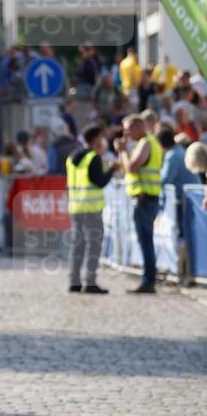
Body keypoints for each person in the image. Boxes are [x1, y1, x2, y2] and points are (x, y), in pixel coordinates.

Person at [66, 124, 117, 294]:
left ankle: (74, 282)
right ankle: (90, 282)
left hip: (75, 207)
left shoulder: (72, 157)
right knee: (93, 246)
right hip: (91, 209)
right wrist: (112, 169)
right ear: (96, 139)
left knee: (77, 246)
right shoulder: (93, 158)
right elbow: (100, 181)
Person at [116, 113, 163, 294]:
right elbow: (126, 169)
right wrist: (123, 154)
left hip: (145, 199)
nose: (125, 133)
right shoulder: (143, 143)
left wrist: (122, 151)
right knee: (145, 241)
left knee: (145, 242)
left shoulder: (145, 143)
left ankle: (148, 281)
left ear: (139, 127)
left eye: (127, 129)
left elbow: (132, 167)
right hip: (145, 198)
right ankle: (148, 279)